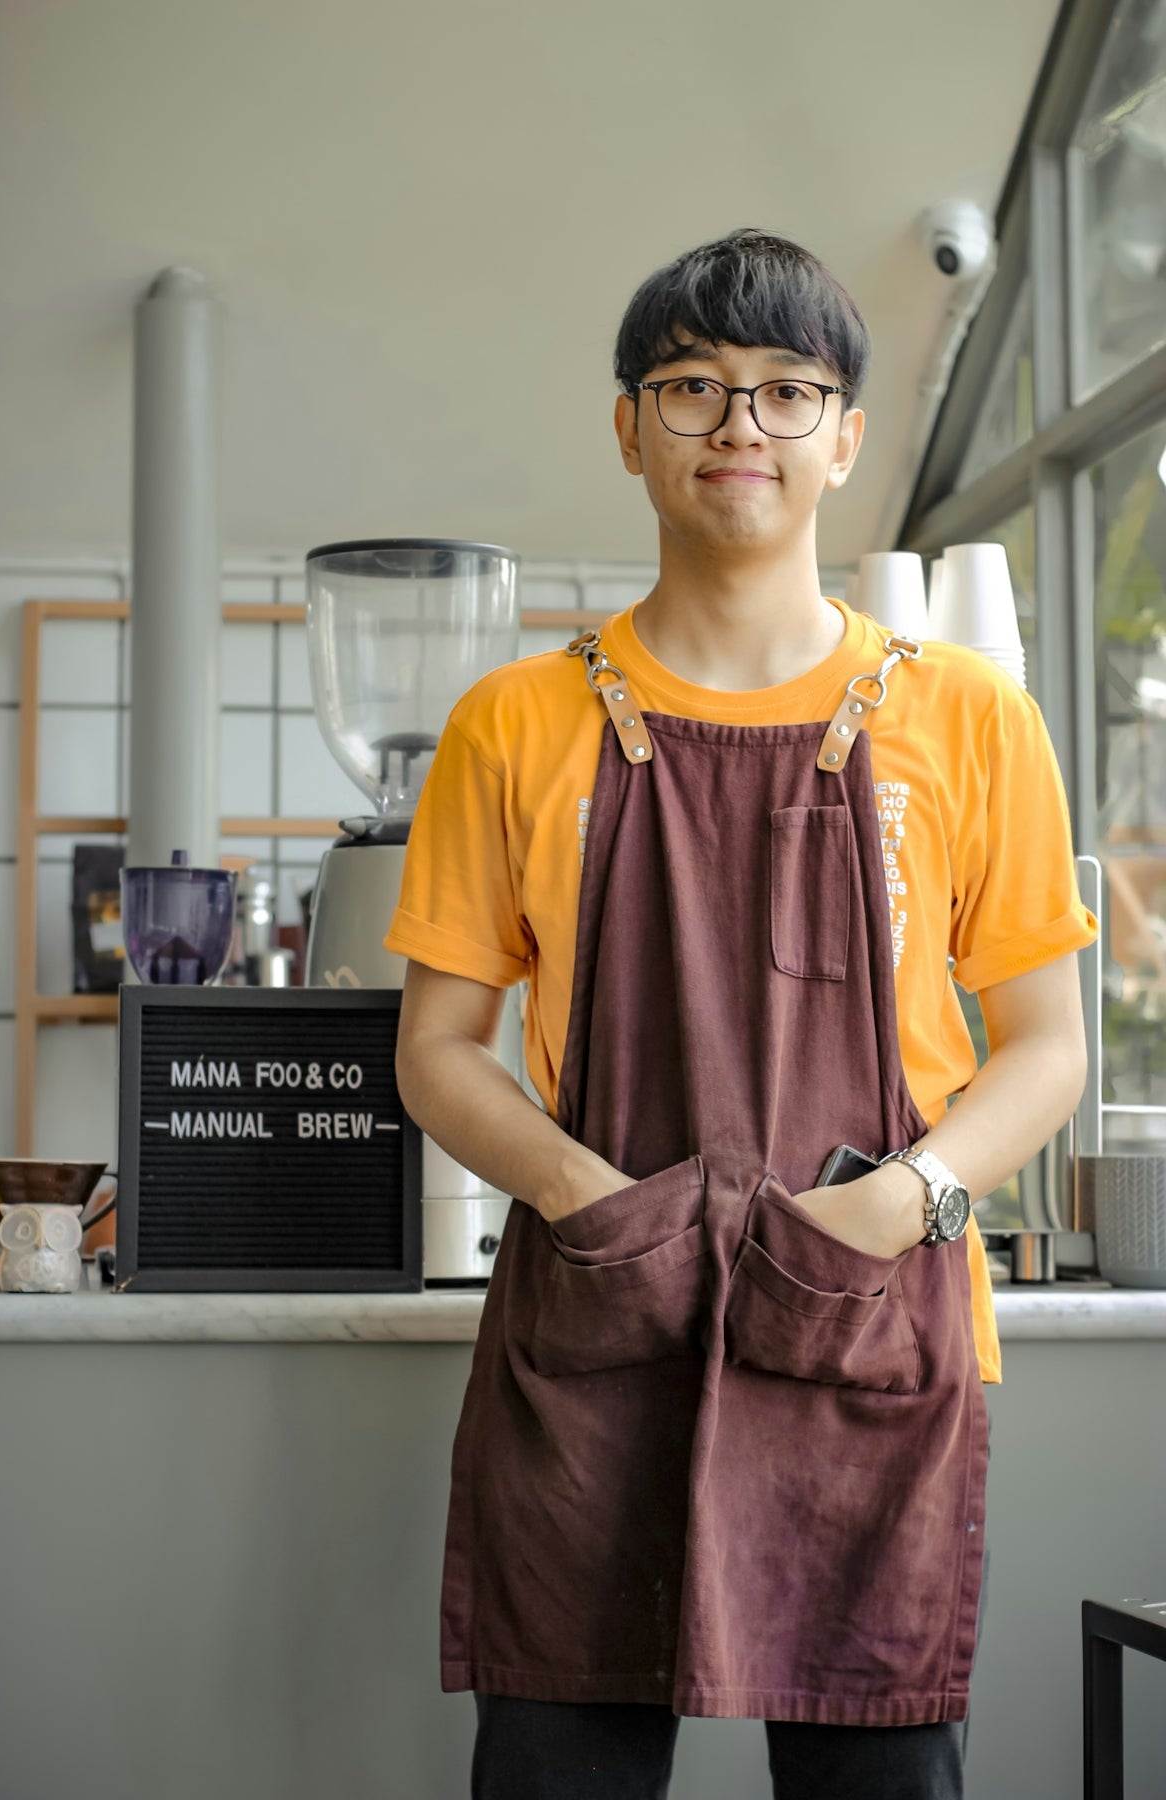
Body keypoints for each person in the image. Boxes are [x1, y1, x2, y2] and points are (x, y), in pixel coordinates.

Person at [384, 228, 1097, 1800]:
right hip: (601, 1322)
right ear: (630, 427)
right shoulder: (515, 724)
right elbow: (434, 1054)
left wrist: (908, 1201)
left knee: (882, 1781)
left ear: (847, 439)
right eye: (693, 388)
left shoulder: (971, 718)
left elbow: (1050, 1044)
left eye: (788, 393)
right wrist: (589, 1197)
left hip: (870, 1316)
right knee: (558, 1769)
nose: (740, 427)